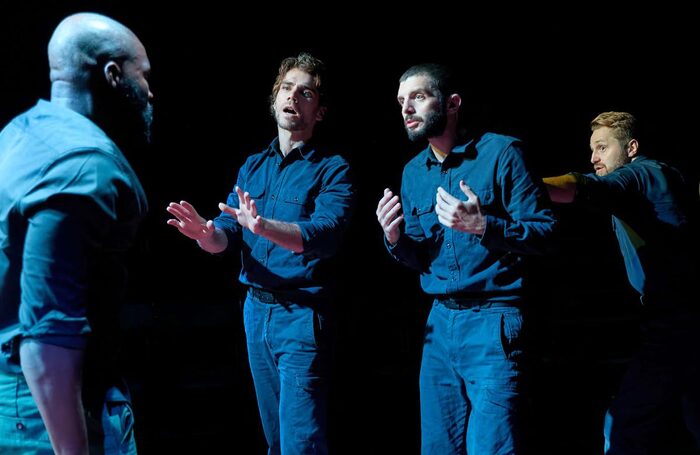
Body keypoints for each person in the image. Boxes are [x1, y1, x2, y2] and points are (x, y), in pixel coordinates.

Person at [166, 52, 353, 454]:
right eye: (287, 88)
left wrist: (263, 226)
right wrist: (205, 233)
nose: (293, 97)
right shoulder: (254, 165)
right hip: (256, 311)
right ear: (274, 99)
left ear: (319, 112)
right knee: (274, 439)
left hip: (302, 315)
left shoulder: (333, 169)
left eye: (306, 93)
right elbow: (227, 235)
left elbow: (325, 233)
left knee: (300, 442)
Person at [376, 63, 556, 454]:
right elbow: (421, 256)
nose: (407, 109)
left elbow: (548, 233)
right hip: (439, 325)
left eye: (418, 97)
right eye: (401, 101)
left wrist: (484, 226)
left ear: (452, 103)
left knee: (491, 446)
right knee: (439, 446)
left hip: (494, 320)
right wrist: (394, 238)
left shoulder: (502, 153)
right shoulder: (413, 173)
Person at [0, 12, 152, 455]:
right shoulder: (84, 166)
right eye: (143, 76)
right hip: (46, 425)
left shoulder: (16, 136)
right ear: (112, 76)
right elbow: (48, 336)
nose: (150, 92)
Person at [543, 111, 700, 453]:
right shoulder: (663, 176)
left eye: (601, 147)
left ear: (631, 147)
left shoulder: (641, 175)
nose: (593, 157)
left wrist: (524, 188)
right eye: (591, 149)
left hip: (677, 325)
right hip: (678, 322)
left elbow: (587, 187)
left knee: (624, 427)